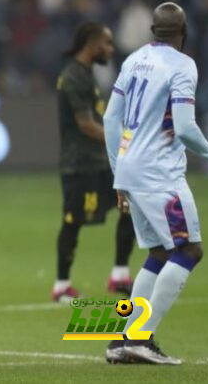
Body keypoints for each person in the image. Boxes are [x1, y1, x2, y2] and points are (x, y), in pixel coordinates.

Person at [103, 2, 208, 364]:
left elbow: (110, 119)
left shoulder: (133, 60)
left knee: (158, 253)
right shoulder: (183, 65)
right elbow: (184, 127)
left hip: (131, 169)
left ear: (153, 30)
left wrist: (118, 173)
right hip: (160, 174)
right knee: (189, 250)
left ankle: (122, 339)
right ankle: (139, 338)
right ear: (183, 33)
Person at [53, 21, 137, 302]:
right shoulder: (74, 76)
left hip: (100, 163)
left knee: (131, 204)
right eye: (107, 43)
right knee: (73, 222)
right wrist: (122, 143)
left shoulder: (87, 74)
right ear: (91, 42)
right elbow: (86, 124)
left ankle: (120, 274)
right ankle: (61, 285)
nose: (110, 49)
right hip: (79, 165)